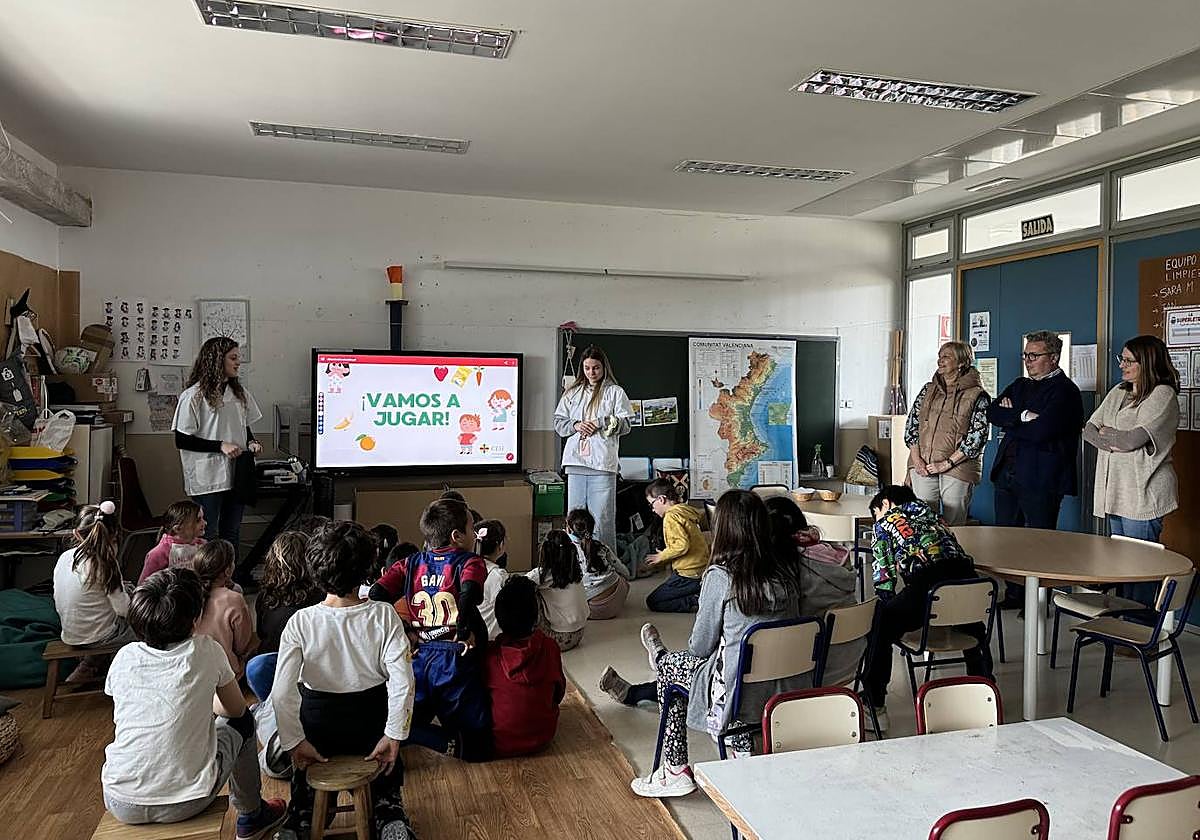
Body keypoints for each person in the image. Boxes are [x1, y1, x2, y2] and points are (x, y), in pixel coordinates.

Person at [613, 490, 806, 798]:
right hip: (785, 689)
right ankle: (740, 745)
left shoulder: (721, 576)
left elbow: (700, 647)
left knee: (672, 669)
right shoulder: (787, 571)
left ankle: (675, 770)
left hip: (735, 692)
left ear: (723, 529)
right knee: (738, 663)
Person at [101, 567, 287, 839]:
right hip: (186, 801)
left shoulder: (124, 657)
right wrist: (201, 701)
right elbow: (235, 710)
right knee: (245, 722)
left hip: (119, 799)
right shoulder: (205, 649)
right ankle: (252, 816)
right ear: (195, 620)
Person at [272, 521, 415, 840]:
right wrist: (394, 734)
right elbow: (403, 682)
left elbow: (281, 693)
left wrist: (294, 741)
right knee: (386, 780)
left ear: (315, 570)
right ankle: (389, 814)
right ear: (368, 567)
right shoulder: (384, 615)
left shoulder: (300, 622)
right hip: (371, 726)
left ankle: (300, 820)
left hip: (318, 730)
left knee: (305, 792)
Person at [368, 498, 492, 762]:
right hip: (455, 661)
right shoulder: (470, 562)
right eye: (472, 528)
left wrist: (403, 628)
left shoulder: (410, 563)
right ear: (457, 536)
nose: (475, 534)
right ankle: (449, 743)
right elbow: (469, 593)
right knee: (480, 746)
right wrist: (463, 628)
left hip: (420, 659)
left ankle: (409, 733)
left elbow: (377, 593)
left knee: (409, 721)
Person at [865, 486, 993, 731]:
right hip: (969, 584)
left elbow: (884, 578)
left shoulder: (885, 523)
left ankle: (874, 705)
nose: (876, 519)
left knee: (881, 621)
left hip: (928, 588)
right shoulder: (935, 517)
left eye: (876, 512)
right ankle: (985, 689)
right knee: (973, 624)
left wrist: (888, 601)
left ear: (886, 503)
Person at [986, 330, 1084, 607]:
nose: (1028, 360)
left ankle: (1038, 602)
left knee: (1040, 543)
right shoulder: (1020, 385)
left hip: (1041, 477)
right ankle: (1015, 595)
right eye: (1026, 355)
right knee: (1007, 540)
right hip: (1007, 473)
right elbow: (992, 412)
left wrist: (1012, 420)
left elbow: (1043, 431)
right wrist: (1023, 415)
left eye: (1034, 355)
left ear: (1053, 358)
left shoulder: (1066, 391)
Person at [173, 336, 263, 582]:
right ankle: (207, 583)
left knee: (231, 532)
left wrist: (251, 441)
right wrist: (220, 446)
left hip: (237, 472)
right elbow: (182, 439)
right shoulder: (193, 396)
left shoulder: (239, 394)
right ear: (216, 360)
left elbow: (242, 426)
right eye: (233, 358)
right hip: (208, 478)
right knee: (208, 533)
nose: (238, 363)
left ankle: (229, 581)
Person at [1084, 335, 1180, 544]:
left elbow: (1132, 440)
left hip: (1142, 494)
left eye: (1128, 361)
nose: (1122, 365)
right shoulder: (1118, 391)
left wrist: (1107, 434)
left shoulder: (1162, 394)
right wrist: (1115, 439)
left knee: (1140, 560)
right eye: (1122, 359)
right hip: (1115, 493)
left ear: (1147, 363)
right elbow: (1089, 431)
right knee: (1120, 559)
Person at [554, 345, 634, 552]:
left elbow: (626, 424)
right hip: (575, 464)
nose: (591, 372)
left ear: (604, 367)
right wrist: (576, 425)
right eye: (587, 368)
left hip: (602, 465)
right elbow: (559, 423)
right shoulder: (573, 392)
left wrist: (601, 422)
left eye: (596, 368)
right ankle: (576, 560)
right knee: (575, 519)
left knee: (602, 520)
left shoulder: (615, 392)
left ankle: (604, 562)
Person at [905, 341, 991, 526]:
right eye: (939, 356)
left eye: (946, 357)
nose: (940, 361)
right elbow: (912, 426)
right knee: (923, 521)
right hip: (923, 464)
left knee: (954, 523)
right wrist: (916, 460)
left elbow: (977, 438)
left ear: (962, 362)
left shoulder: (977, 395)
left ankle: (954, 547)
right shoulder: (928, 390)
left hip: (958, 467)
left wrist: (946, 464)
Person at [52, 501, 136, 683]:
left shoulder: (65, 557)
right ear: (114, 536)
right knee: (142, 630)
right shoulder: (106, 563)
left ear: (77, 534)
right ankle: (123, 677)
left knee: (117, 596)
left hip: (70, 633)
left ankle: (87, 666)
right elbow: (124, 610)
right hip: (98, 636)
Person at [485, 576, 566, 758]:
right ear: (536, 616)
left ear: (498, 617)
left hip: (500, 741)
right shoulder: (550, 647)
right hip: (543, 736)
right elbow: (558, 693)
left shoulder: (490, 655)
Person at [245, 531, 320, 701]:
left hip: (273, 668)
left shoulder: (265, 597)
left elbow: (262, 633)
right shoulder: (320, 597)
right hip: (307, 669)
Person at [192, 539, 258, 679]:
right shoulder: (234, 599)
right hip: (224, 672)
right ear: (228, 571)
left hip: (192, 668)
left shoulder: (187, 594)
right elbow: (242, 646)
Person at [643, 478, 708, 613]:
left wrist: (661, 556)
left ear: (661, 499)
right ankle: (699, 590)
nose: (653, 510)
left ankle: (698, 599)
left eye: (651, 504)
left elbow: (681, 545)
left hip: (689, 573)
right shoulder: (683, 510)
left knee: (654, 601)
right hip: (699, 567)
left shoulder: (671, 517)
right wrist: (665, 554)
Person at [526, 530, 589, 651]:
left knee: (529, 591)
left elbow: (517, 584)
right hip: (579, 634)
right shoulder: (575, 570)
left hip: (557, 639)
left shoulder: (542, 574)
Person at [567, 507, 630, 620]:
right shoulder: (601, 546)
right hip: (619, 596)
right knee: (618, 576)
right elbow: (625, 572)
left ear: (569, 528)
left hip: (594, 608)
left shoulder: (566, 550)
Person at [137, 500, 207, 584]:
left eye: (203, 518)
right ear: (178, 529)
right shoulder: (159, 553)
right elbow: (144, 585)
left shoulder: (202, 545)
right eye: (198, 520)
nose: (205, 523)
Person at [475, 519, 510, 641]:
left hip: (471, 635)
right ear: (500, 546)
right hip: (491, 637)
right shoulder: (498, 576)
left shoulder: (466, 568)